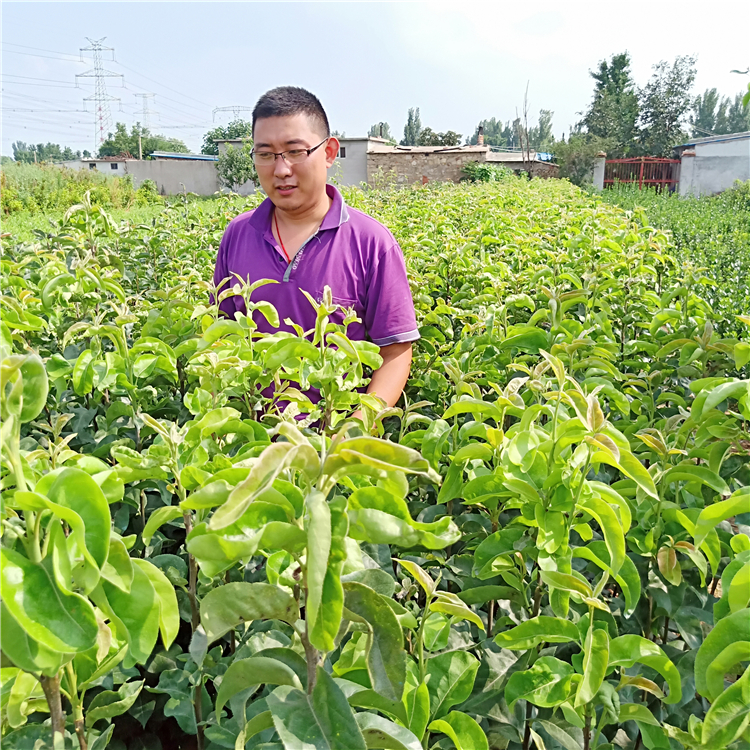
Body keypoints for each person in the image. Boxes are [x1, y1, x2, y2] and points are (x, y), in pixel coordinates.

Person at [213, 86, 419, 409]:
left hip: (334, 438)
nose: (281, 170)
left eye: (295, 152)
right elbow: (222, 335)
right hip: (251, 441)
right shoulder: (237, 235)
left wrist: (355, 430)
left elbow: (395, 351)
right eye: (265, 154)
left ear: (329, 152)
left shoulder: (372, 244)